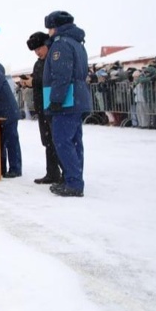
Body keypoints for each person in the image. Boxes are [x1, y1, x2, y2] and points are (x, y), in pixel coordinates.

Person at [43, 11, 92, 197]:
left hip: (67, 100)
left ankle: (73, 183)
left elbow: (61, 74)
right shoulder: (77, 43)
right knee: (75, 141)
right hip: (78, 97)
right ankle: (74, 179)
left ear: (55, 27)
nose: (48, 32)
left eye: (49, 28)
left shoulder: (61, 44)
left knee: (63, 141)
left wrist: (56, 100)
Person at [26, 32, 62, 185]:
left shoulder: (54, 59)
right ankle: (52, 172)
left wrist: (33, 82)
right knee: (47, 141)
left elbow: (50, 80)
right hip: (42, 107)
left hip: (53, 106)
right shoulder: (39, 62)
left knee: (58, 141)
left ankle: (67, 173)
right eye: (35, 50)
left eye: (40, 48)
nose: (38, 52)